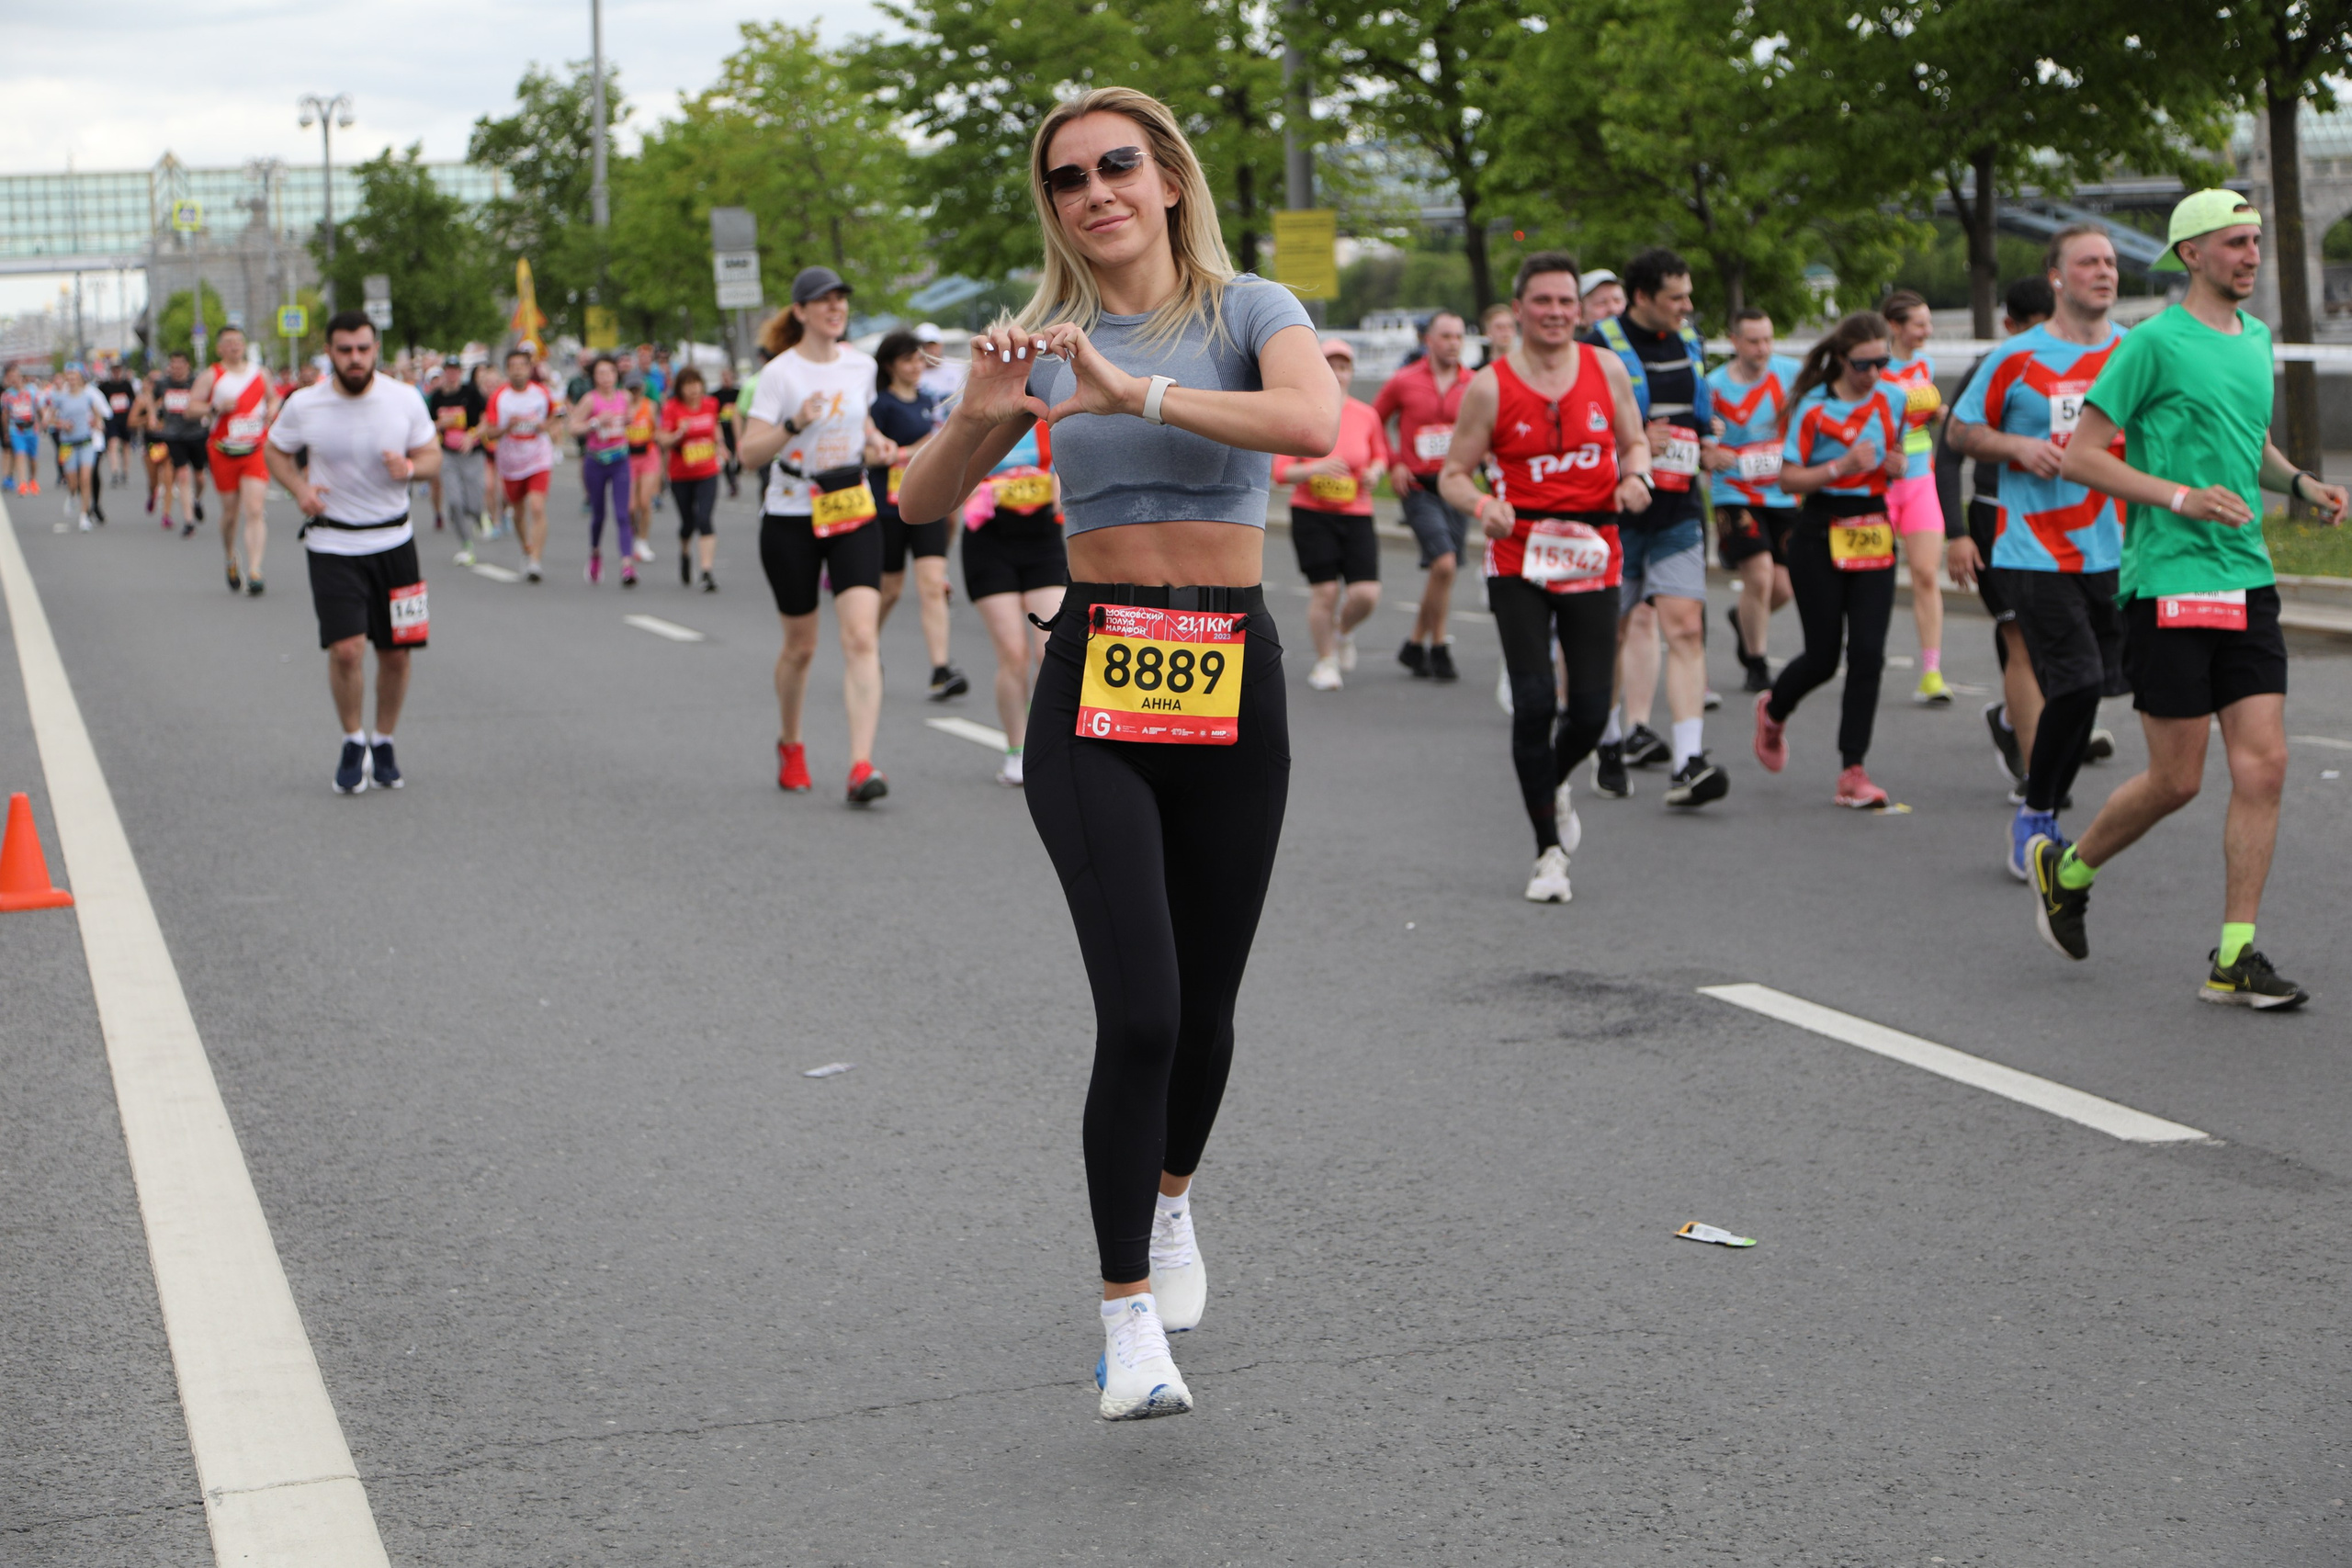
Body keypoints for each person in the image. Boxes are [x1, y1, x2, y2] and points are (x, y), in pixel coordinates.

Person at [894, 85, 1336, 1421]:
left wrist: (1134, 386)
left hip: (1228, 672)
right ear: (1054, 207)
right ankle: (1126, 1316)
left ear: (1169, 179)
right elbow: (916, 503)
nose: (1097, 191)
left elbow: (1312, 428)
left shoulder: (1253, 310)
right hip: (1094, 675)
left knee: (1208, 1014)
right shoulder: (1043, 340)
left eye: (1118, 166)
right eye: (1070, 177)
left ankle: (1173, 1199)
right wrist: (980, 411)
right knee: (1139, 1010)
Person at [2030, 190, 2347, 1007]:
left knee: (2265, 764)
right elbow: (2083, 457)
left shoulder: (2257, 337)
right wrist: (2180, 497)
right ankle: (2068, 872)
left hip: (2244, 575)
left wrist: (2301, 482)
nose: (2251, 255)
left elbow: (2251, 443)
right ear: (2191, 255)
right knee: (2177, 780)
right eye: (2236, 243)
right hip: (2170, 577)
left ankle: (2234, 954)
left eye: (2254, 242)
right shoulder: (2152, 345)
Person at [1442, 254, 1649, 902]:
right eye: (1542, 302)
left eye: (1566, 301)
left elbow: (1634, 441)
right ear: (1520, 308)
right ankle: (1548, 854)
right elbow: (1452, 473)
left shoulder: (1606, 369)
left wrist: (1636, 475)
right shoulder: (1491, 385)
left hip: (1593, 550)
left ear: (1580, 311)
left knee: (1589, 711)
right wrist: (1483, 505)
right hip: (1520, 554)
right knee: (1534, 702)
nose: (1556, 312)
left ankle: (1551, 780)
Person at [1947, 227, 2130, 878]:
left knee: (2101, 685)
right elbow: (1960, 430)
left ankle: (2029, 753)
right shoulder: (2015, 358)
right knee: (2076, 679)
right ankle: (2037, 811)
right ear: (2057, 277)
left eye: (2110, 261)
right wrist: (2018, 448)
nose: (2104, 272)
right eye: (2088, 262)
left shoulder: (2135, 353)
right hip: (2035, 550)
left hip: (2119, 549)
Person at [738, 265, 898, 804]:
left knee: (860, 637)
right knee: (801, 647)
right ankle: (790, 742)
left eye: (841, 300)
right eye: (823, 301)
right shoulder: (779, 375)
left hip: (852, 505)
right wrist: (792, 426)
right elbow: (748, 453)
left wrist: (875, 443)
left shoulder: (861, 365)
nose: (835, 308)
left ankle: (861, 765)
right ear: (800, 311)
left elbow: (862, 422)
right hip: (791, 515)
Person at [262, 311, 439, 794]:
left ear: (375, 348)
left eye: (363, 349)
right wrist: (299, 487)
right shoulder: (305, 404)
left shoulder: (403, 399)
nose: (355, 359)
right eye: (345, 350)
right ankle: (352, 738)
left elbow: (432, 455)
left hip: (396, 543)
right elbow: (274, 451)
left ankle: (384, 740)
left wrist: (410, 467)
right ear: (330, 352)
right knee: (345, 651)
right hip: (332, 542)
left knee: (397, 654)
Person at [1588, 248, 1729, 807]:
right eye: (1677, 297)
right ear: (1643, 297)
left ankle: (1689, 761)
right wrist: (1637, 439)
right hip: (1613, 512)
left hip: (1678, 509)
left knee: (1685, 629)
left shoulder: (1688, 341)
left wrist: (1708, 443)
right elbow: (1578, 423)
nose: (1687, 306)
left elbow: (1697, 412)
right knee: (1613, 634)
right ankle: (1608, 740)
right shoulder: (1597, 348)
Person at [1750, 312, 1907, 807]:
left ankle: (1852, 771)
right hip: (1819, 531)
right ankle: (1774, 711)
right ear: (1841, 358)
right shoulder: (1814, 408)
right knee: (1823, 657)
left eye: (1883, 361)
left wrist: (1897, 465)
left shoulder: (1895, 399)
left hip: (1873, 528)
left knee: (1868, 653)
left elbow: (1903, 450)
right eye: (1864, 364)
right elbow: (1788, 479)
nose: (1874, 373)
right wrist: (1841, 466)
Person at [1941, 276, 2057, 793]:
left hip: (2068, 522)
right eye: (2030, 331)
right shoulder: (1992, 368)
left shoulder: (2086, 363)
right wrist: (1956, 533)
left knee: (2064, 645)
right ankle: (2037, 779)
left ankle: (2012, 720)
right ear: (2009, 327)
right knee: (2023, 643)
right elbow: (1948, 453)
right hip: (1997, 517)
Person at [958, 420, 1069, 784]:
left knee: (1050, 651)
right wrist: (981, 490)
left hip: (1042, 541)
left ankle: (1043, 741)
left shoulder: (1051, 414)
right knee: (1014, 654)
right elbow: (953, 474)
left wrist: (1058, 484)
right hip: (990, 542)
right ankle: (1016, 750)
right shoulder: (981, 417)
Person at [1281, 336, 1389, 690]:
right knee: (1325, 591)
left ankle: (1343, 631)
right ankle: (1325, 662)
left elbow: (1380, 456)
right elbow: (1281, 471)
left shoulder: (1366, 414)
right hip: (1312, 513)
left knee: (1366, 594)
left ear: (1351, 373)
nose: (1337, 373)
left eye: (1344, 367)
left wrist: (1375, 472)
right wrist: (1315, 470)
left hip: (1356, 512)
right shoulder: (1301, 411)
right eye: (1330, 365)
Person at [1703, 309, 1801, 693]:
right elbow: (1701, 436)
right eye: (1753, 341)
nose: (1762, 349)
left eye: (1768, 340)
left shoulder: (1790, 374)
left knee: (1783, 587)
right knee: (1758, 574)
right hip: (1734, 491)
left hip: (1781, 490)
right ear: (1734, 341)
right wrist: (1709, 453)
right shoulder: (1713, 386)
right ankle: (1757, 663)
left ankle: (1742, 618)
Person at [1374, 310, 1473, 679]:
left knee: (1444, 571)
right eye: (1446, 336)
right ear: (1428, 341)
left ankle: (1416, 644)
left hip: (1457, 485)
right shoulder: (1404, 381)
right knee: (1444, 563)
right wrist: (1394, 461)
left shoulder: (1475, 383)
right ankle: (1439, 644)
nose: (1453, 344)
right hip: (1418, 487)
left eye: (1459, 337)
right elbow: (1375, 421)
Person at [869, 329, 967, 696]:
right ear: (890, 365)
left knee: (931, 586)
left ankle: (941, 669)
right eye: (908, 360)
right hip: (890, 508)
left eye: (919, 359)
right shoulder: (880, 405)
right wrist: (912, 450)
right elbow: (868, 455)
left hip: (926, 506)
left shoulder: (929, 400)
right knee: (890, 589)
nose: (916, 366)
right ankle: (865, 643)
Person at [1879, 290, 1952, 705]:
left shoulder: (1925, 364)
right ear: (1895, 327)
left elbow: (1921, 413)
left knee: (1926, 574)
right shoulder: (1874, 368)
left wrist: (1937, 414)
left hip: (1921, 478)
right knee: (1873, 576)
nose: (1927, 331)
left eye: (1928, 322)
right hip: (1883, 483)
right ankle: (1861, 653)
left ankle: (1932, 672)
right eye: (1919, 324)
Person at [190, 326, 279, 593]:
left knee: (254, 509)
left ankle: (255, 570)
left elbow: (273, 399)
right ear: (219, 349)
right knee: (230, 513)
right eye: (228, 343)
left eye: (238, 342)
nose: (234, 346)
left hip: (255, 450)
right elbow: (190, 408)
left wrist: (271, 412)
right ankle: (231, 556)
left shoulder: (260, 373)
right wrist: (214, 407)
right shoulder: (212, 376)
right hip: (223, 451)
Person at [481, 349, 555, 581]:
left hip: (538, 457)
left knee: (537, 506)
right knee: (518, 512)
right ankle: (526, 546)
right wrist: (507, 428)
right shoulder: (499, 397)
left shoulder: (541, 393)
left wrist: (546, 426)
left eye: (522, 365)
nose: (518, 370)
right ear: (507, 370)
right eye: (513, 366)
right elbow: (490, 433)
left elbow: (554, 416)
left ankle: (535, 561)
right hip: (511, 461)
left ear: (529, 368)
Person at [568, 355, 636, 583]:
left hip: (620, 460)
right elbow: (573, 428)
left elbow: (631, 419)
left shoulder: (624, 397)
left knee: (622, 513)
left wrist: (627, 421)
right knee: (599, 515)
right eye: (601, 374)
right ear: (594, 377)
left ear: (617, 375)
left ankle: (627, 564)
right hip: (596, 461)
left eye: (610, 373)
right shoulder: (590, 400)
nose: (606, 378)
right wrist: (595, 422)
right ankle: (595, 552)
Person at [656, 365, 724, 590]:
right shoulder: (672, 408)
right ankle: (685, 553)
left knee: (705, 519)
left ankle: (706, 571)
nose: (694, 389)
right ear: (680, 388)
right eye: (688, 385)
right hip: (681, 474)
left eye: (697, 384)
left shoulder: (710, 404)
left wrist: (721, 445)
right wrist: (679, 434)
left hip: (707, 472)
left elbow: (714, 427)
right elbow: (663, 440)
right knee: (688, 523)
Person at [425, 358, 488, 564]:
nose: (452, 375)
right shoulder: (436, 398)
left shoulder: (470, 393)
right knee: (454, 502)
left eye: (455, 371)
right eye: (448, 371)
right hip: (448, 454)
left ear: (460, 373)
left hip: (472, 453)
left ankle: (480, 516)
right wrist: (439, 424)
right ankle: (466, 544)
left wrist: (472, 436)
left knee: (473, 501)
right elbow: (426, 426)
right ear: (444, 373)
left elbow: (486, 417)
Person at [43, 364, 110, 531]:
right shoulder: (61, 398)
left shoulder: (88, 397)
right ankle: (72, 496)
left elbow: (98, 417)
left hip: (85, 442)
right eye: (70, 378)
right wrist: (61, 423)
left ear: (81, 379)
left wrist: (98, 424)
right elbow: (48, 420)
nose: (72, 381)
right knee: (72, 481)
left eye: (75, 378)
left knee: (86, 478)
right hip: (67, 444)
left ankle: (84, 516)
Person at [155, 350, 209, 535]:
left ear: (187, 365)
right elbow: (152, 399)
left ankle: (197, 500)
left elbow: (208, 403)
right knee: (183, 475)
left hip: (196, 434)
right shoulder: (163, 383)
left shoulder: (196, 383)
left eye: (180, 365)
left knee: (200, 477)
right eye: (173, 365)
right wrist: (155, 417)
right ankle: (189, 522)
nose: (176, 369)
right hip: (174, 435)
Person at [625, 379, 663, 561]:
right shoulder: (622, 407)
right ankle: (633, 534)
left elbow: (657, 430)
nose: (635, 392)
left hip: (648, 455)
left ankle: (643, 540)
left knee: (645, 502)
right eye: (631, 389)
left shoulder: (651, 406)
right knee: (631, 507)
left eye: (637, 389)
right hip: (628, 457)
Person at [97, 361, 136, 489]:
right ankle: (115, 471)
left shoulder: (127, 385)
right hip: (112, 419)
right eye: (114, 370)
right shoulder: (105, 386)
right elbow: (98, 403)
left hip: (125, 418)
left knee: (126, 446)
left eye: (118, 370)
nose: (116, 373)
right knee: (113, 444)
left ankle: (125, 472)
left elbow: (134, 401)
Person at [3, 366, 39, 497]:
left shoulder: (31, 391)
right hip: (16, 430)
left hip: (32, 430)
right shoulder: (7, 395)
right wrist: (6, 431)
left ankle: (32, 479)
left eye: (15, 377)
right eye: (11, 378)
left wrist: (44, 420)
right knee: (20, 454)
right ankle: (22, 484)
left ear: (21, 377)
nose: (13, 380)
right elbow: (5, 414)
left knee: (33, 459)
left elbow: (39, 409)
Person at [914, 321, 967, 402]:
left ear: (940, 344)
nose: (928, 350)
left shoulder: (959, 366)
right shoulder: (911, 373)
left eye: (932, 344)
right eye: (923, 346)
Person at [717, 362, 744, 498]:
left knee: (739, 456)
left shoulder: (739, 393)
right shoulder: (716, 394)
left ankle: (736, 475)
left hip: (737, 430)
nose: (726, 379)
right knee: (727, 457)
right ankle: (732, 483)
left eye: (728, 376)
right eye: (724, 376)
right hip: (723, 429)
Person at [1478, 301, 1518, 366]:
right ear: (1487, 332)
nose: (1505, 331)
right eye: (1499, 327)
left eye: (1509, 326)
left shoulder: (1527, 371)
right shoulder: (1477, 373)